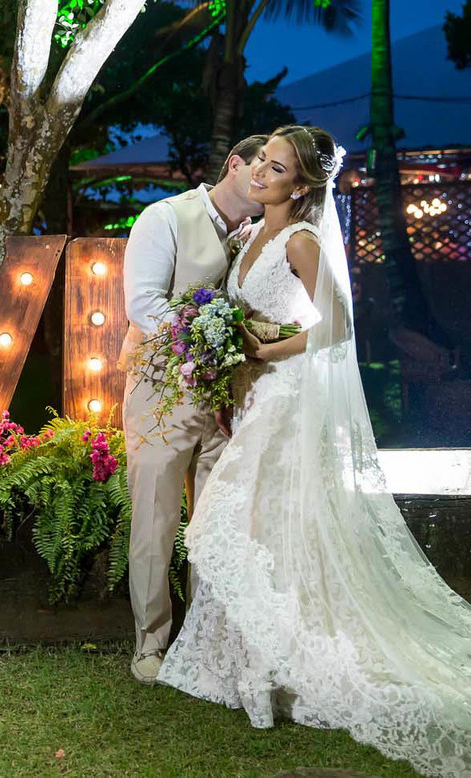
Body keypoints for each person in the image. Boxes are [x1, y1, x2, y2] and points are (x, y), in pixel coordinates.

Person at [157, 125, 471, 778]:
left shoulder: (300, 240)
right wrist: (223, 358)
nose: (261, 173)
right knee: (260, 526)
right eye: (261, 163)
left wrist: (261, 353)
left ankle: (280, 666)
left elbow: (338, 324)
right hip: (252, 394)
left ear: (302, 185)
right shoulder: (250, 237)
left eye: (276, 168)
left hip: (287, 396)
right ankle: (247, 665)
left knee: (235, 517)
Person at [120, 135, 267, 685]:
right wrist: (207, 346)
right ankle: (150, 642)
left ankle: (207, 641)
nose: (267, 181)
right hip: (162, 393)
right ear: (234, 163)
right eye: (260, 169)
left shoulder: (259, 234)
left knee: (216, 520)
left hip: (227, 400)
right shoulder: (165, 217)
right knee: (156, 519)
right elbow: (143, 303)